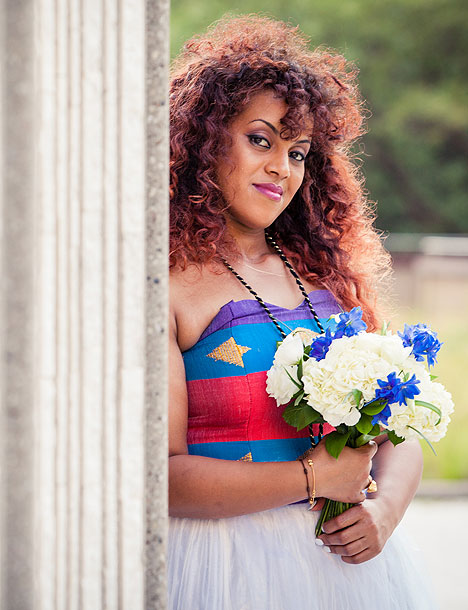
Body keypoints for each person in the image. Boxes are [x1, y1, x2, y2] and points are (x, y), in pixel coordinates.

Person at [168, 15, 435, 609]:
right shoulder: (166, 287)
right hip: (221, 568)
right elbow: (159, 477)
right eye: (260, 139)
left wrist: (384, 512)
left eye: (298, 152)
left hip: (345, 570)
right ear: (203, 139)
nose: (281, 169)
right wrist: (312, 479)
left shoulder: (326, 275)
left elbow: (399, 428)